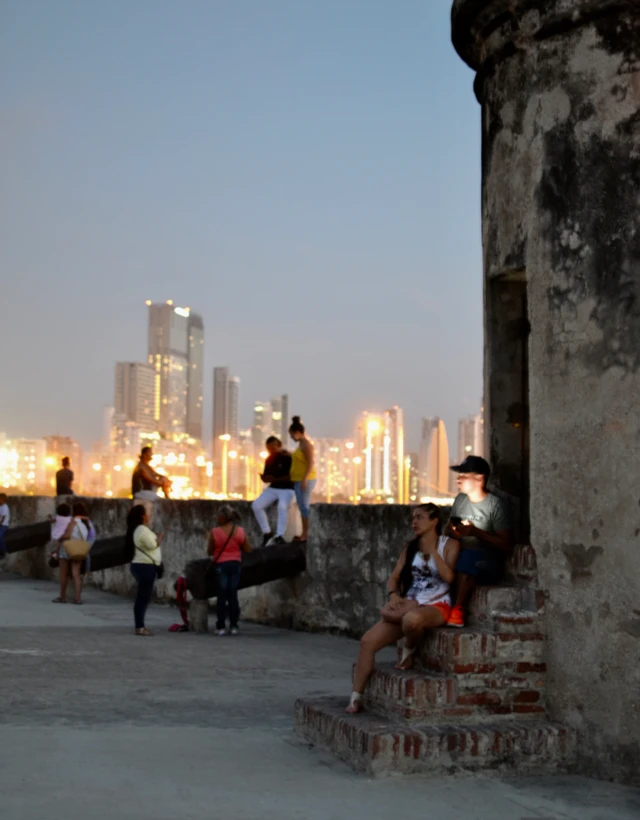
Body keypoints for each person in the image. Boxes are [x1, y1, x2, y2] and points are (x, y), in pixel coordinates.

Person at [346, 504, 459, 714]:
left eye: (420, 517)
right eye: (413, 518)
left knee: (412, 620)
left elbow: (450, 577)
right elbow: (393, 578)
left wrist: (432, 551)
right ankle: (355, 697)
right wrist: (393, 595)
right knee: (367, 642)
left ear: (434, 521)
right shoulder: (410, 548)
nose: (414, 522)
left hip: (436, 605)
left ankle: (409, 646)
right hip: (410, 603)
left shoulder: (448, 545)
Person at [445, 455, 513, 628]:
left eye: (464, 475)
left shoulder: (496, 505)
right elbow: (448, 529)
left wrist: (476, 532)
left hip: (488, 560)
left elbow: (505, 544)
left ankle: (458, 609)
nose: (458, 479)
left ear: (479, 478)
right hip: (461, 553)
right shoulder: (461, 500)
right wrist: (454, 531)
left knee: (469, 557)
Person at [207, 505, 252, 636]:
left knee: (222, 596)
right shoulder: (240, 531)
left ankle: (221, 626)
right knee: (233, 596)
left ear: (222, 518)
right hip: (235, 564)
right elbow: (248, 548)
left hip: (221, 565)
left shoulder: (215, 532)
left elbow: (210, 551)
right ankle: (234, 626)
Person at [126, 504, 164, 636]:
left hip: (142, 565)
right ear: (142, 516)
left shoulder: (137, 529)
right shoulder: (141, 529)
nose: (148, 515)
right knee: (142, 597)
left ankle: (139, 625)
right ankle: (140, 627)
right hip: (145, 566)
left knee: (142, 597)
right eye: (146, 513)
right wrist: (159, 538)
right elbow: (152, 544)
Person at [251, 436, 295, 546]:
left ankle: (279, 536)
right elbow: (268, 477)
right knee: (256, 505)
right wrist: (265, 478)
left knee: (282, 507)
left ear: (279, 445)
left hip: (287, 489)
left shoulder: (288, 457)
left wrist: (274, 479)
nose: (271, 450)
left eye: (272, 448)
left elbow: (291, 476)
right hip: (273, 488)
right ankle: (267, 533)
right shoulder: (269, 459)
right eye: (268, 449)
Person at [51, 501, 93, 605]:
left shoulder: (70, 521)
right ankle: (78, 598)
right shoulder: (84, 522)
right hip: (78, 548)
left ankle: (62, 597)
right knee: (76, 574)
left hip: (66, 548)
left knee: (63, 575)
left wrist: (59, 537)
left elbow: (67, 536)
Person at [288, 416, 316, 544]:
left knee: (304, 506)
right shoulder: (300, 445)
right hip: (298, 480)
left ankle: (306, 533)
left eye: (292, 435)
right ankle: (304, 532)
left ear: (298, 433)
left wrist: (304, 479)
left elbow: (310, 463)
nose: (291, 437)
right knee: (301, 506)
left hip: (305, 479)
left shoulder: (306, 445)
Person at [132, 447, 171, 520]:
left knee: (163, 479)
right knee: (160, 502)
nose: (151, 455)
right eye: (150, 453)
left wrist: (165, 480)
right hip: (141, 492)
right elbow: (150, 479)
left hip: (149, 492)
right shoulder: (141, 466)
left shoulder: (148, 466)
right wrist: (162, 483)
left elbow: (157, 475)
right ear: (144, 455)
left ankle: (168, 498)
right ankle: (168, 499)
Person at [0, 492, 10, 560]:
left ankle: (4, 550)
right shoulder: (0, 506)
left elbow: (3, 517)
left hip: (3, 525)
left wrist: (0, 524)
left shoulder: (5, 507)